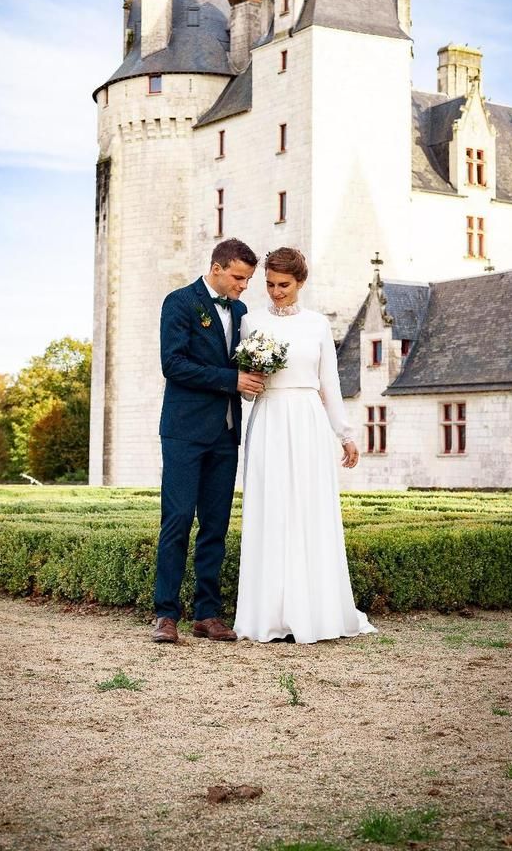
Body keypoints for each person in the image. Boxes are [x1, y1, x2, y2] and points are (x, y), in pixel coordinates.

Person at [234, 247, 377, 644]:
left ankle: (316, 611)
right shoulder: (250, 322)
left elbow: (329, 384)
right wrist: (254, 379)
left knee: (309, 511)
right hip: (269, 420)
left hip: (308, 420)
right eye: (270, 284)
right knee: (271, 509)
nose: (276, 292)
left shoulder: (316, 325)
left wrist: (345, 434)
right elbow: (247, 393)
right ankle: (271, 615)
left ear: (300, 283)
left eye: (284, 285)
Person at [153, 238, 264, 643]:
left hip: (225, 431)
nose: (243, 285)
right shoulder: (179, 302)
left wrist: (256, 377)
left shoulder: (242, 311)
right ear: (216, 268)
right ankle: (166, 615)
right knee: (178, 519)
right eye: (238, 277)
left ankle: (207, 614)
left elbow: (242, 361)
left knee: (215, 525)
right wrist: (231, 379)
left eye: (248, 278)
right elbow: (173, 364)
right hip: (184, 431)